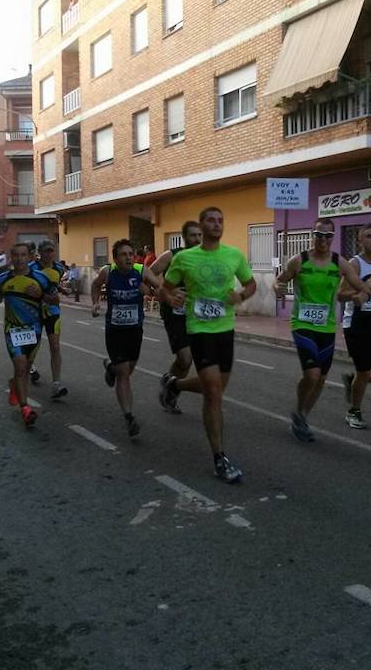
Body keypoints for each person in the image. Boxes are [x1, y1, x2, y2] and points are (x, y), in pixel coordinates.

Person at [160, 206, 256, 483]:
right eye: (211, 221)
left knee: (215, 390)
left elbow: (251, 285)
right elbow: (165, 287)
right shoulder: (186, 258)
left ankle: (174, 384)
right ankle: (220, 458)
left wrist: (240, 296)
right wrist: (170, 298)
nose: (217, 225)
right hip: (199, 329)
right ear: (201, 227)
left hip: (225, 330)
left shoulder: (234, 255)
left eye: (220, 220)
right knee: (213, 393)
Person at [275, 218, 371, 442]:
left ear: (333, 237)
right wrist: (278, 288)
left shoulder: (339, 263)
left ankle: (301, 416)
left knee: (321, 378)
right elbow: (279, 280)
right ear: (313, 235)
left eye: (328, 236)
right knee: (311, 374)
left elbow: (361, 287)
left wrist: (363, 295)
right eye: (319, 235)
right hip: (302, 324)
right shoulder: (298, 260)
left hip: (327, 326)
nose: (323, 240)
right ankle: (300, 410)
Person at [91, 239, 160, 439]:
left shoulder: (141, 271)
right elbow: (95, 286)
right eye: (124, 254)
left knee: (127, 369)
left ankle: (111, 368)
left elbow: (160, 290)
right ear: (115, 258)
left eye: (131, 253)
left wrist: (150, 292)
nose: (129, 257)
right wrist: (95, 304)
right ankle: (129, 416)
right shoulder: (108, 272)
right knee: (124, 373)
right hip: (115, 330)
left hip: (135, 330)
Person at [0, 242, 52, 428]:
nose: (19, 259)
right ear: (11, 257)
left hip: (34, 330)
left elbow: (54, 298)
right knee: (21, 367)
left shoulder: (40, 278)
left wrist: (41, 294)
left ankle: (14, 383)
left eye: (23, 255)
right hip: (13, 329)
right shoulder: (2, 279)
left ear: (29, 257)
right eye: (16, 255)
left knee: (25, 368)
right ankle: (25, 409)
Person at [338, 224, 371, 429]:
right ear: (360, 240)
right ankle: (354, 412)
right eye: (368, 236)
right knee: (364, 371)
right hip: (356, 323)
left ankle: (352, 382)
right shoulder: (355, 264)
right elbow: (340, 294)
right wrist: (360, 293)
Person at [150, 220, 202, 413]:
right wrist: (165, 292)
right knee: (185, 358)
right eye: (193, 235)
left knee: (186, 361)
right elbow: (149, 273)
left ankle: (170, 389)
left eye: (199, 235)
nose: (197, 239)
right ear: (184, 238)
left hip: (196, 312)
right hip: (173, 311)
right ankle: (171, 385)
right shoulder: (172, 255)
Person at [32, 240, 69, 399]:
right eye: (46, 250)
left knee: (55, 346)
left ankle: (56, 384)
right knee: (34, 345)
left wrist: (62, 289)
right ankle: (30, 368)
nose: (49, 253)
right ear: (40, 252)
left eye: (52, 250)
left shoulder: (59, 268)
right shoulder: (31, 268)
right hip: (34, 313)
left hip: (53, 312)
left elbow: (53, 283)